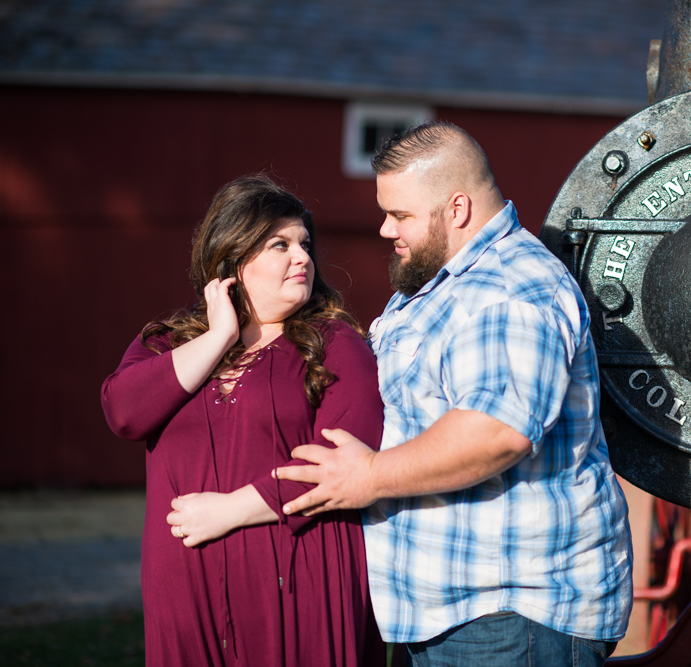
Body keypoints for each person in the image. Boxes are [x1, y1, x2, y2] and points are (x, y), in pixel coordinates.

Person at [275, 121, 633, 665]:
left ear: (457, 209)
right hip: (460, 615)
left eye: (400, 215)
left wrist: (368, 476)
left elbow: (497, 432)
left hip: (509, 617)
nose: (384, 229)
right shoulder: (444, 283)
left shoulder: (509, 288)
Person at [101, 175, 385, 667]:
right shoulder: (168, 343)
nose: (303, 257)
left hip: (299, 582)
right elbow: (124, 413)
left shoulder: (335, 344)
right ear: (234, 260)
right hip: (186, 596)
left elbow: (345, 460)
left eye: (305, 244)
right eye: (280, 244)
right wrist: (218, 337)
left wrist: (231, 510)